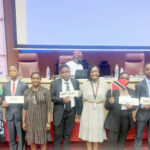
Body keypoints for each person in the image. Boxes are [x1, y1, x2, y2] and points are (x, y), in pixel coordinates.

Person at [50, 64, 82, 150]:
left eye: (67, 72)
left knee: (67, 136)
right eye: (63, 72)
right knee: (57, 136)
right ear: (60, 73)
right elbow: (51, 97)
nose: (65, 74)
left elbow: (79, 98)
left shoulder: (75, 82)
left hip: (71, 111)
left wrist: (79, 112)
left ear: (70, 72)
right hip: (59, 111)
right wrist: (61, 99)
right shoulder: (55, 83)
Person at [79, 65, 108, 150]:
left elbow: (107, 96)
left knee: (97, 130)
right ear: (89, 73)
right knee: (88, 130)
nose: (94, 73)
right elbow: (79, 96)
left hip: (99, 109)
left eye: (96, 71)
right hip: (88, 108)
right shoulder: (85, 84)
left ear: (99, 72)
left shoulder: (104, 84)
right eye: (92, 72)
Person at [104, 72, 136, 150]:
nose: (124, 80)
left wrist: (131, 106)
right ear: (118, 79)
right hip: (114, 120)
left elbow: (135, 106)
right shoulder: (112, 90)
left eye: (126, 78)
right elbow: (106, 106)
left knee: (122, 141)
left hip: (126, 121)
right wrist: (110, 102)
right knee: (112, 142)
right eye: (122, 78)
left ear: (128, 80)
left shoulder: (131, 91)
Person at [22, 72, 51, 150]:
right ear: (31, 79)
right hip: (30, 121)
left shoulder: (46, 91)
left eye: (37, 78)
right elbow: (24, 108)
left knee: (43, 141)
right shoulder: (26, 92)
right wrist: (23, 121)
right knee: (32, 140)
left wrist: (48, 122)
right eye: (33, 78)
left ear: (40, 79)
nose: (35, 80)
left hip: (42, 121)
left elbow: (49, 108)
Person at [2, 65, 28, 150]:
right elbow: (3, 98)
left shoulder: (24, 85)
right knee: (11, 138)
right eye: (10, 71)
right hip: (9, 115)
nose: (12, 72)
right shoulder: (5, 85)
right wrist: (3, 103)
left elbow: (26, 101)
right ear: (9, 73)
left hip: (20, 115)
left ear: (18, 72)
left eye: (14, 70)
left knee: (21, 138)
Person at [133, 62, 150, 150]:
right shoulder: (139, 85)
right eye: (147, 69)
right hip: (142, 113)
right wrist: (143, 105)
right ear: (144, 71)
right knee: (138, 136)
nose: (149, 71)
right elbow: (136, 100)